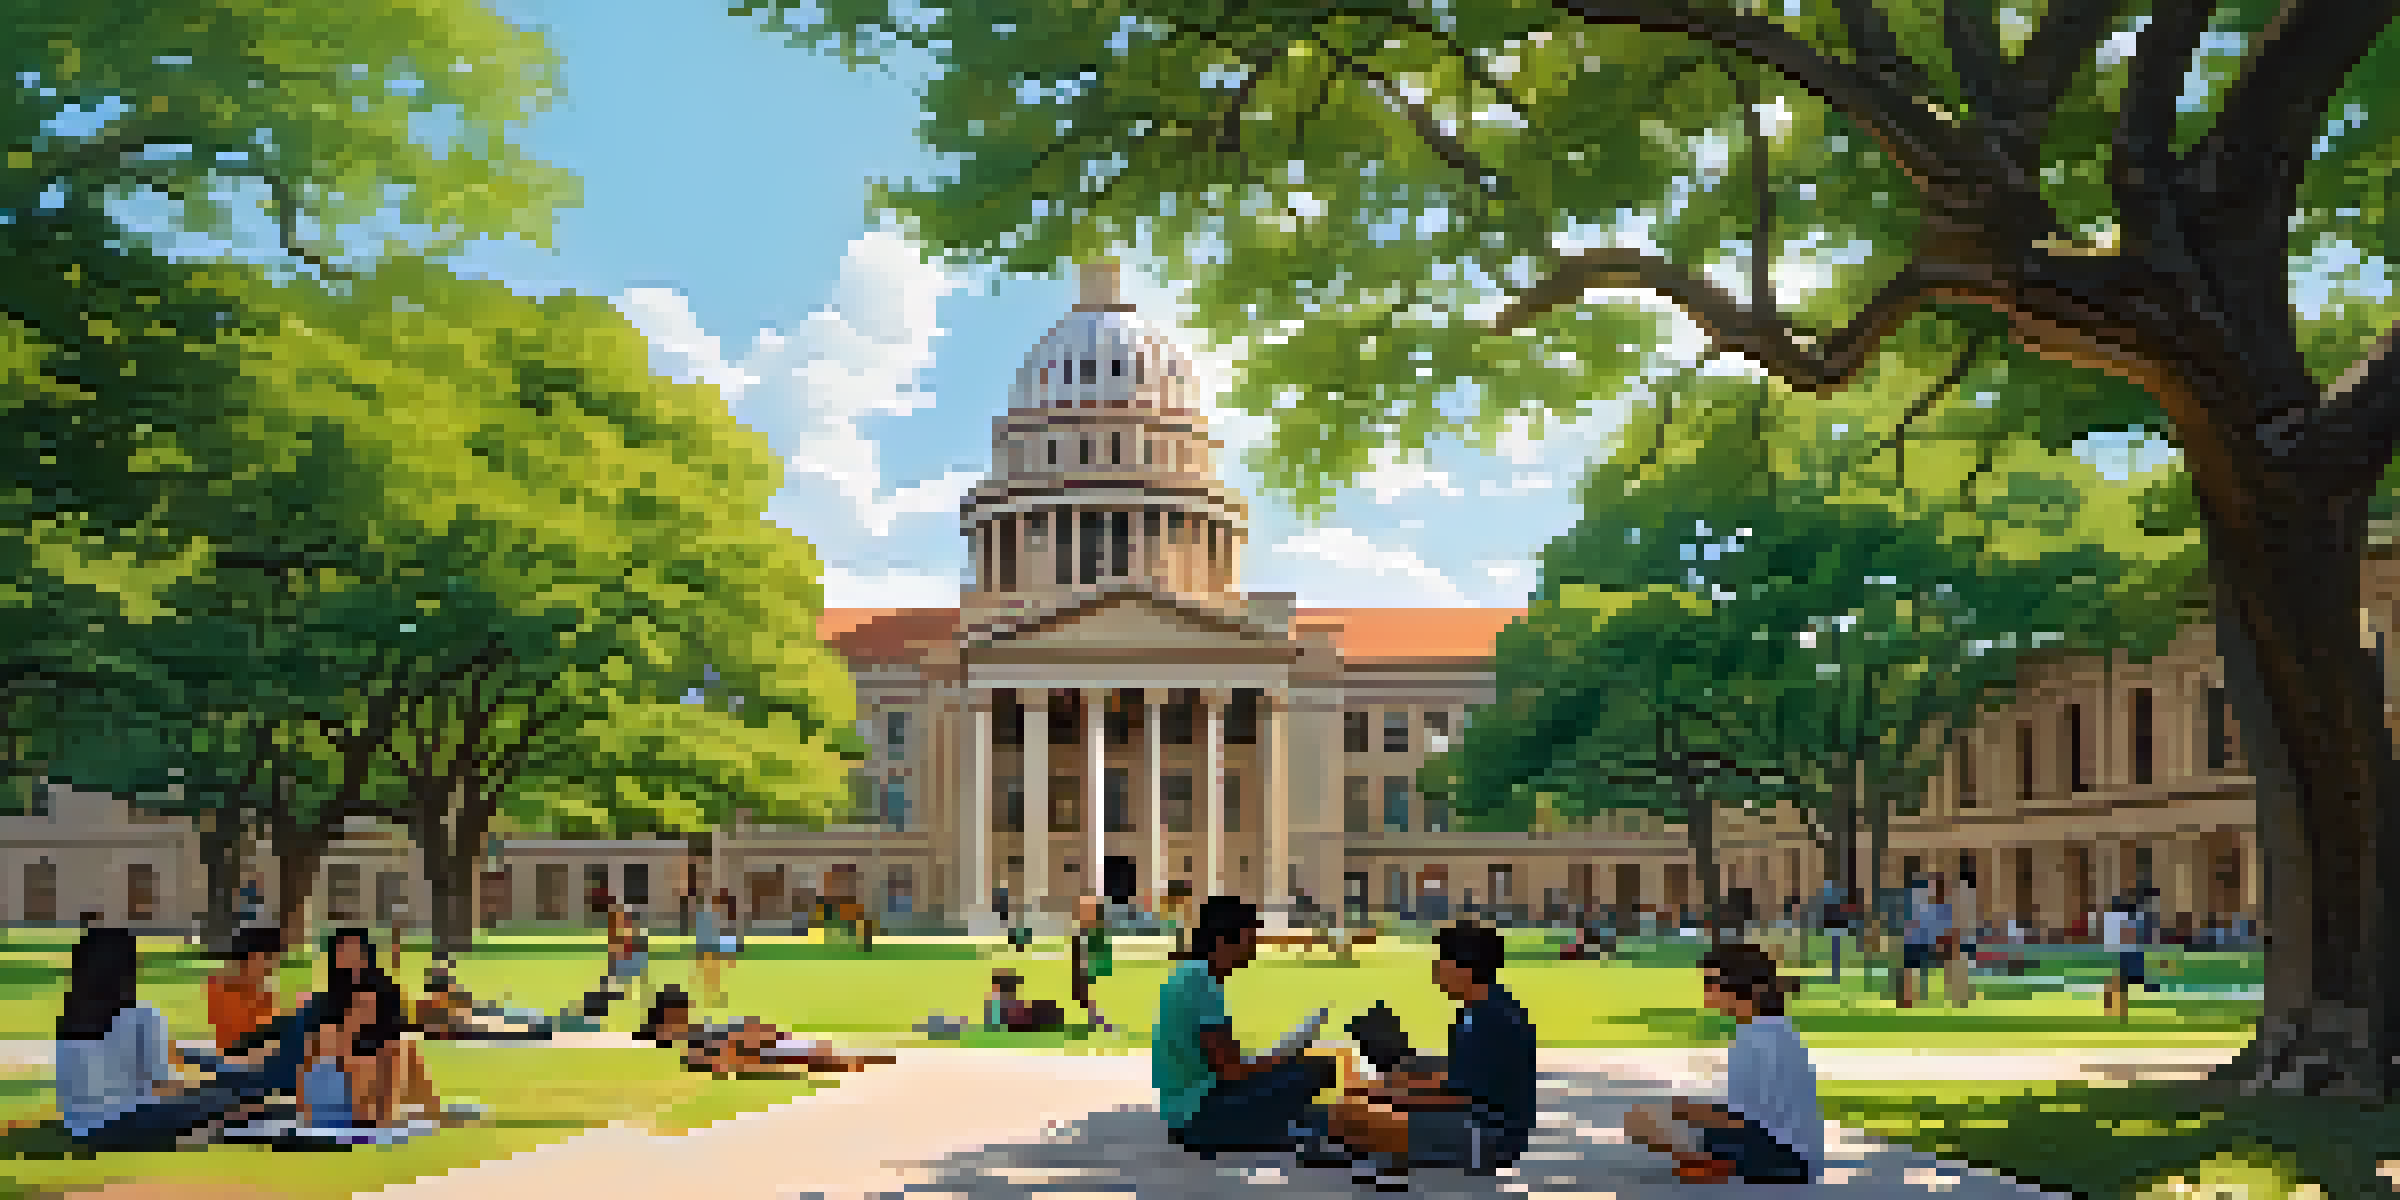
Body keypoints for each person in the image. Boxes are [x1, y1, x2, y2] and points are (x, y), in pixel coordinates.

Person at [1317, 921, 1538, 1190]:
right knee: (1361, 1103)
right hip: (1472, 1123)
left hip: (1486, 1139)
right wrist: (1400, 1085)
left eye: (1441, 961)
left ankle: (1375, 1156)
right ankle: (1376, 1154)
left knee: (1356, 1111)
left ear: (1464, 969)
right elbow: (1461, 1077)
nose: (1435, 970)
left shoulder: (1494, 1018)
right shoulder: (1475, 1011)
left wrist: (1393, 1095)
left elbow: (1459, 1095)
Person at [1623, 943, 1821, 1184]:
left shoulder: (1753, 1039)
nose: (1706, 990)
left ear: (1740, 984)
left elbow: (1740, 1120)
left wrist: (1684, 1111)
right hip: (1797, 1156)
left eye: (1711, 981)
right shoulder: (1775, 1028)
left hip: (1780, 1159)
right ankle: (1713, 1164)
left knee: (1642, 1117)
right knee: (1671, 1114)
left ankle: (1714, 1166)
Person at [1154, 896, 1335, 1158]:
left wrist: (1274, 1060)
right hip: (1199, 1119)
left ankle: (1284, 1126)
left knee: (1298, 1074)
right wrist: (1279, 1057)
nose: (1253, 950)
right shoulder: (1202, 983)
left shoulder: (1190, 975)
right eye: (1248, 941)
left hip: (1188, 1111)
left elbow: (1222, 1063)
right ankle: (1277, 1129)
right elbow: (1231, 1071)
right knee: (1317, 1070)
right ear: (1222, 942)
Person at [54, 928, 267, 1150]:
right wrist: (201, 1091)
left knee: (211, 1099)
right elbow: (163, 1086)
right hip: (126, 1125)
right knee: (221, 1097)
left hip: (81, 1130)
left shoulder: (68, 1019)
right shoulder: (141, 1015)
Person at [635, 986, 894, 1075]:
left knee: (820, 1052)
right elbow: (725, 1057)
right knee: (822, 1055)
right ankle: (870, 1060)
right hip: (756, 1046)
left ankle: (872, 1059)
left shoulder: (697, 1035)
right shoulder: (694, 1044)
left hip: (755, 1043)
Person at [298, 969, 441, 1128]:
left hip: (348, 1114)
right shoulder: (327, 1035)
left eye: (369, 1006)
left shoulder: (387, 1049)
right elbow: (306, 1076)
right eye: (360, 1004)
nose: (364, 1011)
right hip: (333, 1113)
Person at [1070, 894, 1116, 1032]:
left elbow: (1103, 955)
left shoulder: (1099, 933)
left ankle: (1099, 1022)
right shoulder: (1080, 934)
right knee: (1082, 996)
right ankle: (1093, 1021)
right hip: (1083, 972)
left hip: (1094, 972)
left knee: (1091, 996)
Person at [983, 969, 1065, 1032]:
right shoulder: (996, 1002)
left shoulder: (1000, 1001)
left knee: (1046, 1007)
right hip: (1010, 1022)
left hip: (1014, 1020)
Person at [2103, 895, 2142, 1020]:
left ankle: (2112, 1011)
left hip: (2115, 952)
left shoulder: (2111, 918)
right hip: (2121, 953)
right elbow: (2130, 937)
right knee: (2120, 984)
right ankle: (2119, 1012)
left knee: (2114, 983)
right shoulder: (2127, 919)